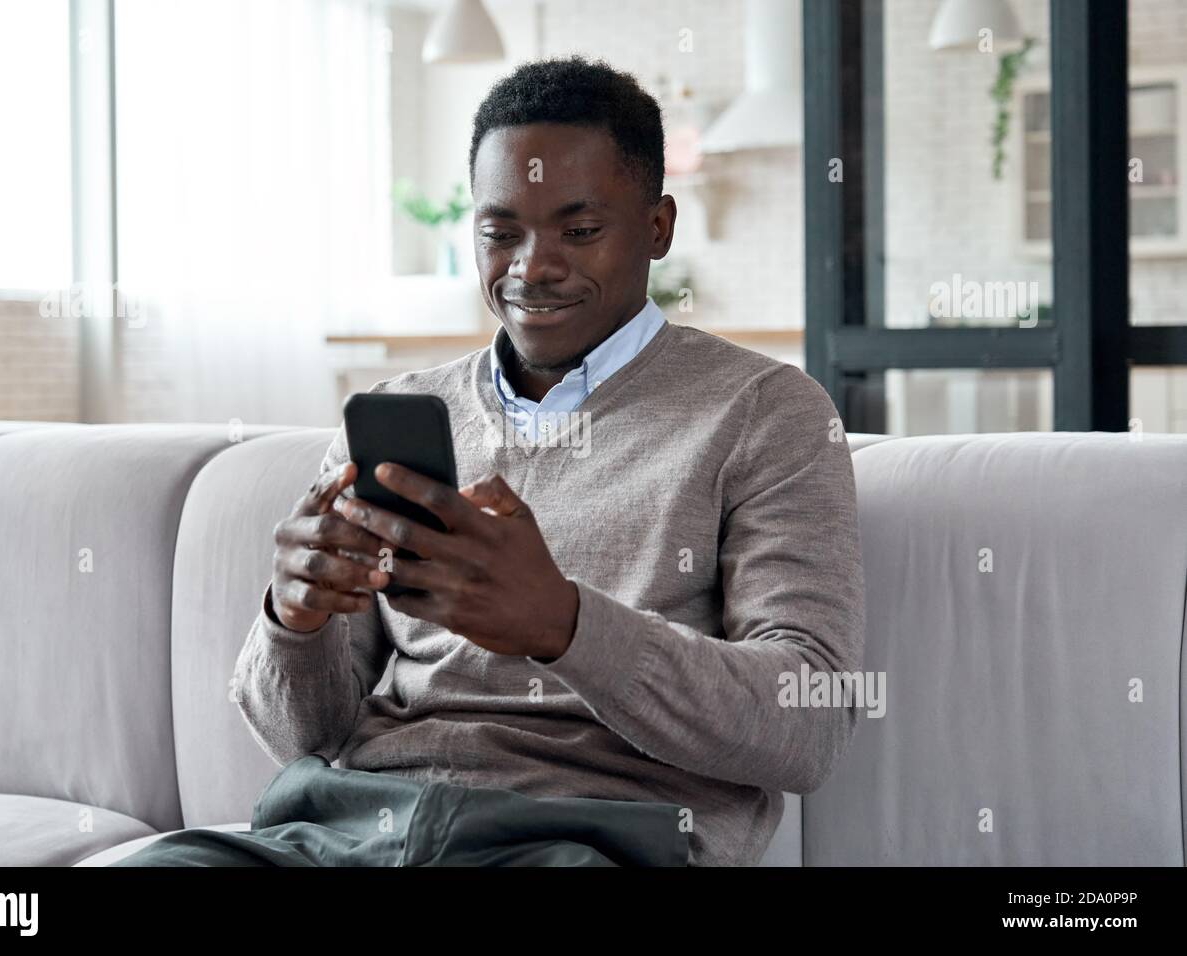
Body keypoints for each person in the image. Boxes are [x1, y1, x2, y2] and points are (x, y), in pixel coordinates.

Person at [112, 54, 864, 868]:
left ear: (657, 227)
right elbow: (306, 736)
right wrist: (293, 623)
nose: (531, 267)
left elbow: (808, 724)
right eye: (499, 232)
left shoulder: (765, 412)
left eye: (579, 231)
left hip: (581, 844)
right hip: (350, 832)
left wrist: (563, 626)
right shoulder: (400, 414)